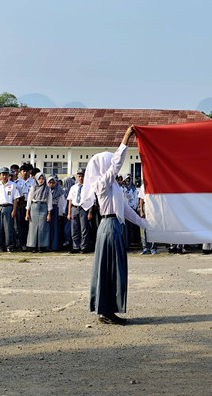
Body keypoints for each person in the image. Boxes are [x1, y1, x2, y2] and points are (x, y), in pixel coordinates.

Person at [82, 126, 147, 325]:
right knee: (108, 269)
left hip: (115, 226)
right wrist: (126, 138)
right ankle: (104, 311)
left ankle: (109, 309)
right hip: (109, 226)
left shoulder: (114, 187)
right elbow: (116, 164)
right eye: (109, 163)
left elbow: (126, 210)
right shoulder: (102, 184)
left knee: (114, 269)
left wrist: (146, 224)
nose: (113, 164)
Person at [0, 167, 20, 252]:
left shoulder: (13, 185)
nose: (4, 176)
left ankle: (9, 246)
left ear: (8, 175)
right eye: (3, 174)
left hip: (8, 207)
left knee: (9, 228)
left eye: (6, 174)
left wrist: (14, 210)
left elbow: (15, 199)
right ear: (0, 175)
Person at [25, 172, 52, 252]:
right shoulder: (33, 188)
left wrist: (49, 213)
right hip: (34, 206)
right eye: (39, 178)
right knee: (33, 227)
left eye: (42, 178)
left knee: (43, 227)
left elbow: (49, 201)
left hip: (44, 206)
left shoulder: (47, 189)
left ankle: (42, 246)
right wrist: (27, 213)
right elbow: (29, 201)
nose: (41, 180)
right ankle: (32, 246)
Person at [67, 169, 91, 254]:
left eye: (82, 176)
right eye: (79, 176)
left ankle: (84, 246)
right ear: (77, 176)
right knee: (74, 229)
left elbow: (91, 200)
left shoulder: (88, 187)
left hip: (84, 208)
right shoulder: (73, 187)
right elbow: (70, 200)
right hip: (74, 208)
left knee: (84, 229)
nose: (81, 178)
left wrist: (90, 212)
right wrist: (69, 213)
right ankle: (75, 246)